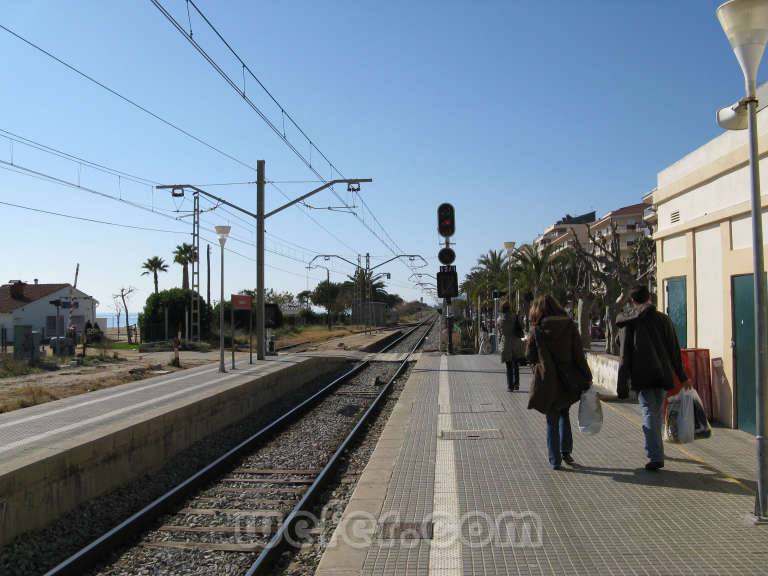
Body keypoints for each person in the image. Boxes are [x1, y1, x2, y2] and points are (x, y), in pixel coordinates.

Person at [617, 285, 689, 471]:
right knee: (655, 413)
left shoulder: (628, 321)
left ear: (633, 301)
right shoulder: (663, 320)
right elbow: (674, 350)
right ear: (649, 298)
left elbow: (624, 355)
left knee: (650, 412)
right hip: (662, 374)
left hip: (642, 376)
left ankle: (655, 454)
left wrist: (622, 384)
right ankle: (657, 450)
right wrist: (682, 376)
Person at [526, 294, 592, 469]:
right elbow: (578, 354)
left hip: (547, 379)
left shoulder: (536, 329)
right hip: (568, 378)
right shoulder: (569, 326)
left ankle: (555, 460)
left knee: (551, 418)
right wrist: (587, 377)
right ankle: (566, 451)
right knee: (564, 412)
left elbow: (529, 355)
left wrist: (538, 367)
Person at [498, 301, 524, 391]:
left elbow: (500, 331)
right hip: (516, 342)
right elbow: (522, 326)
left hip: (506, 344)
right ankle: (517, 384)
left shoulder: (500, 319)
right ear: (510, 307)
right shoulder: (515, 317)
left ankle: (510, 386)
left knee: (508, 366)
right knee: (516, 364)